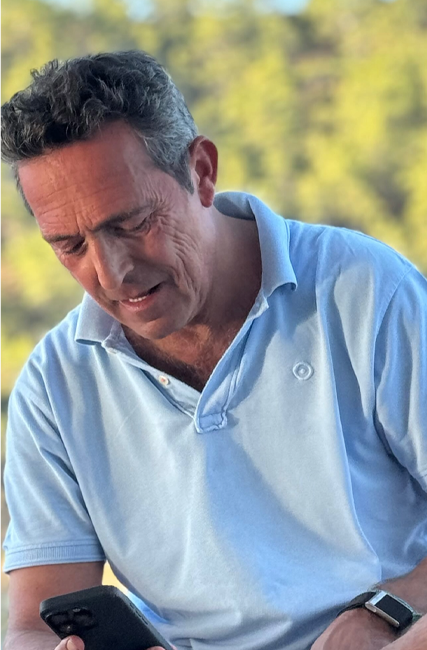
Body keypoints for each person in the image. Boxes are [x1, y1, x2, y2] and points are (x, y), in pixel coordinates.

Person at [1, 51, 427, 650]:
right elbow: (30, 626)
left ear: (201, 171)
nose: (113, 273)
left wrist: (388, 612)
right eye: (70, 246)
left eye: (133, 223)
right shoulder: (54, 384)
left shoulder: (367, 291)